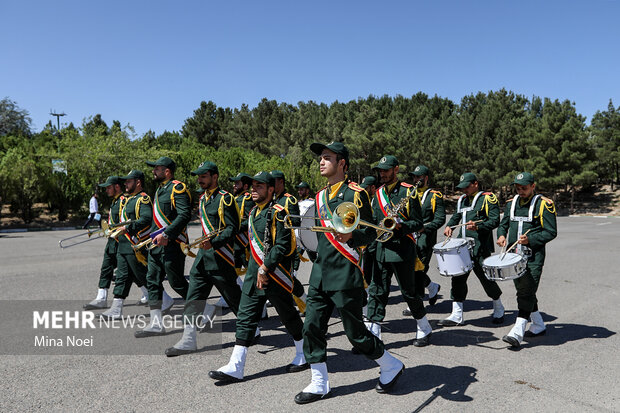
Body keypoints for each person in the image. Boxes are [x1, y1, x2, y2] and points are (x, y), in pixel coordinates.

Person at [295, 142, 404, 405]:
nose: (321, 162)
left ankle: (390, 364)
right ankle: (319, 382)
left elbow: (371, 231)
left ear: (342, 163)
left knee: (356, 333)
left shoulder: (356, 194)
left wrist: (351, 235)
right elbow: (314, 237)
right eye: (320, 158)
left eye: (327, 158)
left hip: (345, 272)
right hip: (321, 272)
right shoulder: (320, 197)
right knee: (311, 327)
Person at [208, 171, 307, 381]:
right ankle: (236, 365)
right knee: (244, 317)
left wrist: (265, 268)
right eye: (253, 186)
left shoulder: (279, 212)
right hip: (255, 275)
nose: (254, 190)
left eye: (259, 186)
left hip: (274, 274)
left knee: (287, 314)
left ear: (271, 190)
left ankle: (303, 351)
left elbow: (283, 246)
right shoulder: (254, 213)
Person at [164, 161, 245, 356]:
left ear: (215, 177)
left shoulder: (225, 199)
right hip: (203, 258)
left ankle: (253, 329)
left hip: (220, 257)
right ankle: (188, 339)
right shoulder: (202, 199)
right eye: (199, 177)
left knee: (234, 298)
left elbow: (232, 228)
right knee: (193, 297)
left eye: (204, 176)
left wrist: (214, 242)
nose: (200, 180)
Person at [366, 156, 432, 347]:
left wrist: (400, 227)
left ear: (396, 169)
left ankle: (424, 327)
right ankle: (374, 333)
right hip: (380, 249)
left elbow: (418, 223)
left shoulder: (408, 191)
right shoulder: (377, 193)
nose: (382, 174)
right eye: (380, 170)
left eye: (386, 170)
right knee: (377, 291)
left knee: (409, 292)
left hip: (402, 249)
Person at [497, 172, 557, 348]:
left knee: (526, 290)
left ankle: (517, 330)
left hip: (534, 257)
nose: (520, 191)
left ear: (533, 186)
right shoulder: (511, 203)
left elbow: (551, 232)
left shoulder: (544, 205)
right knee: (524, 290)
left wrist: (530, 240)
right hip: (514, 256)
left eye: (524, 188)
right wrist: (501, 235)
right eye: (517, 188)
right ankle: (538, 324)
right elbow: (503, 224)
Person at [135, 157, 191, 338]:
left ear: (167, 171)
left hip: (172, 244)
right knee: (152, 280)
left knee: (177, 282)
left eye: (157, 168)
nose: (153, 171)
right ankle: (156, 323)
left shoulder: (177, 188)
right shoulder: (159, 190)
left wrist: (167, 234)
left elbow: (184, 216)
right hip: (156, 245)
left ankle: (203, 309)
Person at [439, 172, 504, 326]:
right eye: (462, 188)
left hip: (479, 246)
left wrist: (478, 226)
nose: (464, 190)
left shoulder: (487, 198)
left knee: (486, 278)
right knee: (458, 278)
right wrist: (450, 226)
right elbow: (457, 216)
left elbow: (495, 221)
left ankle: (498, 306)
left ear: (475, 183)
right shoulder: (462, 199)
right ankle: (457, 314)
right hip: (462, 246)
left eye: (467, 187)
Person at [99, 170, 153, 320]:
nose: (125, 184)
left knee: (143, 276)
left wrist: (127, 228)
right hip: (124, 244)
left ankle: (164, 299)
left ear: (138, 182)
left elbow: (146, 218)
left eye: (129, 181)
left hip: (134, 244)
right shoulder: (130, 199)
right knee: (122, 276)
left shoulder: (143, 199)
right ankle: (116, 308)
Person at [84, 176, 135, 310]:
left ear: (117, 187)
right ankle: (101, 298)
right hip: (112, 241)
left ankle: (156, 296)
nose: (106, 190)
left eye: (108, 187)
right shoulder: (115, 201)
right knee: (106, 268)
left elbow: (126, 221)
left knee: (134, 272)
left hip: (121, 241)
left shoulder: (124, 201)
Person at [402, 165, 444, 316]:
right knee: (408, 269)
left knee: (418, 270)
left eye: (419, 177)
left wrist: (424, 228)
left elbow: (440, 219)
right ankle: (432, 286)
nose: (415, 180)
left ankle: (416, 303)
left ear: (426, 178)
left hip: (424, 238)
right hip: (408, 237)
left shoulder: (434, 195)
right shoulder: (409, 193)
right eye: (413, 177)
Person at [271, 170, 306, 314]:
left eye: (273, 181)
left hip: (286, 248)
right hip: (273, 246)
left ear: (281, 182)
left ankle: (304, 301)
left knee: (288, 278)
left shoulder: (289, 200)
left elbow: (296, 222)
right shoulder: (272, 200)